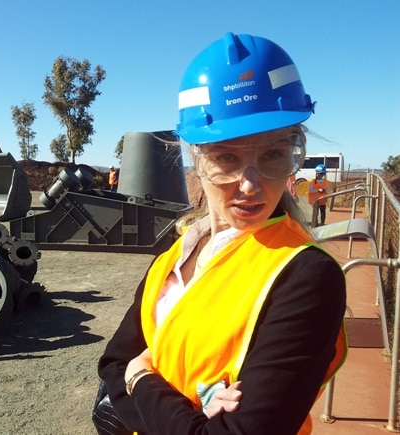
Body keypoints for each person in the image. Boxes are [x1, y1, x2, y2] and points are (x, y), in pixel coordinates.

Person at [96, 33, 347, 434]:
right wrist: (186, 410)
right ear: (196, 158)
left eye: (274, 155)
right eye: (227, 157)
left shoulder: (305, 276)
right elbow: (112, 363)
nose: (250, 184)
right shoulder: (177, 255)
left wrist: (141, 378)